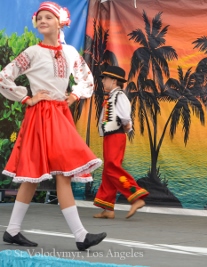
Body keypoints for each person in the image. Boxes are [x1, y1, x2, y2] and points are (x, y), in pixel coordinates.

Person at [0, 1, 107, 250]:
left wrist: (74, 95)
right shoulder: (31, 52)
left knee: (44, 175)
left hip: (59, 115)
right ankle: (80, 235)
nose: (43, 21)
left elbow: (86, 78)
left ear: (60, 22)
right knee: (59, 173)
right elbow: (4, 76)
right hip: (40, 115)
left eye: (48, 17)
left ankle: (13, 230)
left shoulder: (69, 53)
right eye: (40, 17)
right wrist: (28, 97)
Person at [93, 66, 149, 219]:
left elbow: (125, 117)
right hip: (110, 136)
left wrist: (126, 125)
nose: (103, 81)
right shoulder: (112, 96)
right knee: (108, 170)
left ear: (114, 81)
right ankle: (108, 207)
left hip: (116, 136)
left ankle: (136, 197)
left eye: (105, 78)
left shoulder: (119, 96)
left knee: (112, 167)